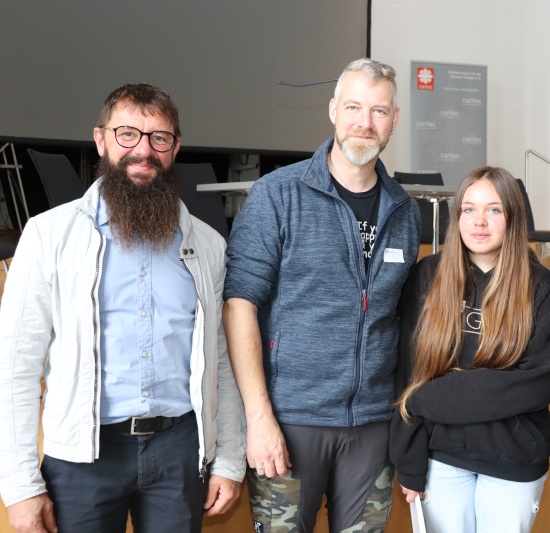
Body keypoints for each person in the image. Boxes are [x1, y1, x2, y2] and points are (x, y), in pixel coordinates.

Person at [0, 83, 246, 533]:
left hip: (179, 452)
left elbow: (222, 363)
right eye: (127, 134)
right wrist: (19, 484)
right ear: (101, 140)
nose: (144, 151)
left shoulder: (208, 246)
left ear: (175, 147)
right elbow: (14, 366)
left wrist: (229, 459)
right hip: (83, 454)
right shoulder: (47, 236)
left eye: (159, 138)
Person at [223, 58, 420, 532]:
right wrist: (259, 419)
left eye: (378, 111)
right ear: (333, 110)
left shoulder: (406, 211)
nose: (364, 122)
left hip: (373, 427)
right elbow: (239, 306)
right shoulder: (278, 195)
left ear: (393, 121)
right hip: (290, 422)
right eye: (354, 106)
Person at [390, 166, 550, 533]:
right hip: (440, 458)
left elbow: (533, 385)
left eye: (494, 209)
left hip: (513, 458)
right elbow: (407, 375)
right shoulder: (428, 276)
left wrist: (425, 397)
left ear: (512, 219)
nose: (479, 221)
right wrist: (408, 460)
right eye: (469, 209)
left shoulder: (541, 288)